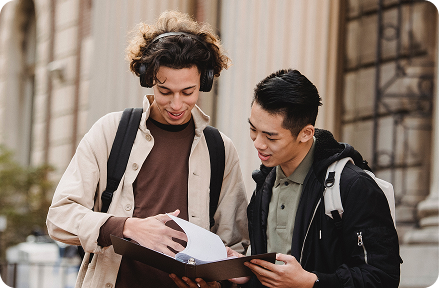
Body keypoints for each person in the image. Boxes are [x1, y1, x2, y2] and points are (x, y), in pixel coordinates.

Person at [46, 11, 249, 288]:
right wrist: (128, 227)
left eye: (187, 92)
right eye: (165, 92)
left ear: (205, 81)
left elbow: (234, 244)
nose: (176, 104)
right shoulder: (110, 131)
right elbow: (59, 217)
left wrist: (218, 281)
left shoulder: (220, 149)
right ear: (148, 79)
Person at [239, 69, 401, 287]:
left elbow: (382, 278)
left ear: (306, 133)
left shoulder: (353, 186)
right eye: (253, 129)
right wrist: (242, 275)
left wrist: (311, 282)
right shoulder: (264, 184)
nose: (258, 143)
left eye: (270, 136)